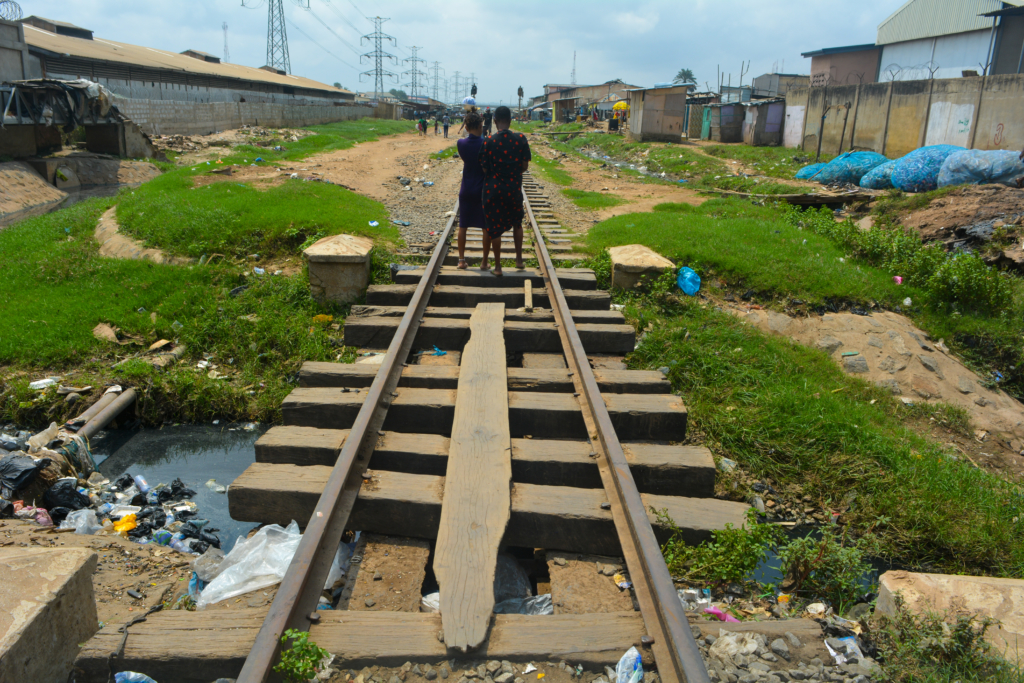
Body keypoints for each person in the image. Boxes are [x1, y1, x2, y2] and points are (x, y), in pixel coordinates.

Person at [478, 106, 531, 275]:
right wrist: (512, 174)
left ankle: (498, 267)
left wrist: (497, 175)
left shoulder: (488, 141)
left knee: (493, 225)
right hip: (513, 189)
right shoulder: (521, 139)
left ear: (494, 121)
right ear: (510, 120)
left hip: (493, 189)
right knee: (517, 222)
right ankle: (519, 260)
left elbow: (484, 168)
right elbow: (524, 165)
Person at [455, 111, 485, 270]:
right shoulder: (486, 144)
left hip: (466, 189)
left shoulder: (461, 144)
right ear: (481, 126)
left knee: (463, 226)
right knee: (486, 226)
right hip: (482, 190)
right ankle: (484, 261)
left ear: (466, 127)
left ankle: (461, 260)